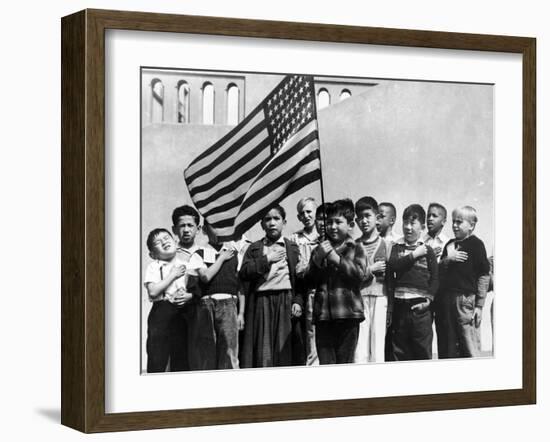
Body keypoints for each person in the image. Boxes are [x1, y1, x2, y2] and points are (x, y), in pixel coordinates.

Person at [239, 205, 303, 367]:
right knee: (263, 349)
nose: (272, 223)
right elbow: (245, 272)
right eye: (267, 219)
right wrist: (267, 259)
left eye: (276, 219)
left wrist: (297, 301)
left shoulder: (292, 248)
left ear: (284, 222)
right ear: (261, 224)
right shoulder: (254, 248)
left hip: (285, 300)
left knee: (284, 348)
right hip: (261, 301)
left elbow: (300, 280)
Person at [307, 199, 366, 365]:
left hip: (348, 316)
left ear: (350, 224)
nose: (332, 226)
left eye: (338, 222)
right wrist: (317, 260)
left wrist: (336, 259)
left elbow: (360, 275)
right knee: (327, 365)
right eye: (329, 222)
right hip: (324, 317)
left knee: (345, 364)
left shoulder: (356, 247)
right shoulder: (319, 249)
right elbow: (309, 281)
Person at [188, 222, 245, 370]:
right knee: (207, 350)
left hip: (229, 304)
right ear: (205, 229)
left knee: (229, 350)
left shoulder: (234, 254)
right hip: (206, 306)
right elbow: (205, 276)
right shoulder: (199, 253)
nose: (218, 230)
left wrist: (241, 313)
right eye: (213, 226)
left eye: (220, 226)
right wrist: (221, 258)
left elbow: (240, 287)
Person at [436, 206, 491, 358]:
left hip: (465, 301)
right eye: (453, 221)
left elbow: (484, 275)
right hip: (446, 302)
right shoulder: (449, 245)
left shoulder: (476, 244)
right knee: (449, 346)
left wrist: (479, 306)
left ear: (471, 226)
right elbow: (439, 272)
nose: (454, 225)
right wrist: (448, 259)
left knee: (468, 343)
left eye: (459, 222)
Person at [388, 204, 439, 361]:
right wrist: (414, 255)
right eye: (405, 223)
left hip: (420, 309)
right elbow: (393, 266)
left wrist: (428, 301)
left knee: (422, 351)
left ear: (422, 227)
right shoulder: (397, 247)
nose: (408, 228)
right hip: (399, 306)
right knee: (399, 351)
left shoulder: (428, 250)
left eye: (413, 223)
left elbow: (436, 278)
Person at [143, 228, 195, 373]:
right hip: (161, 312)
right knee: (157, 357)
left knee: (182, 358)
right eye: (158, 242)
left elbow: (196, 290)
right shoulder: (154, 266)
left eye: (167, 238)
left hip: (183, 312)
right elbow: (153, 292)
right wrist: (173, 275)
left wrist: (189, 296)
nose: (164, 242)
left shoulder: (188, 264)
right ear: (152, 254)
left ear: (175, 241)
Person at [354, 196, 391, 363]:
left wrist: (391, 307)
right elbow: (351, 275)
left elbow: (392, 279)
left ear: (377, 217)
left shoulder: (387, 244)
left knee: (378, 346)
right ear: (355, 220)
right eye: (360, 217)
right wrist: (371, 269)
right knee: (360, 349)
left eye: (367, 215)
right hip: (358, 299)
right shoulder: (352, 246)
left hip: (381, 297)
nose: (364, 220)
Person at [169, 205, 204, 371]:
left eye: (190, 225)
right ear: (174, 229)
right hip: (175, 311)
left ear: (198, 228)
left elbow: (210, 283)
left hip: (200, 310)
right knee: (177, 357)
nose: (186, 230)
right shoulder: (168, 254)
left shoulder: (207, 253)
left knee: (199, 356)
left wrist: (192, 296)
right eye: (182, 226)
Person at [291, 197, 320, 366]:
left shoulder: (325, 236)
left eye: (309, 211)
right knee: (311, 337)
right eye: (302, 213)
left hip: (326, 290)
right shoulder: (295, 238)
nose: (306, 216)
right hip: (308, 291)